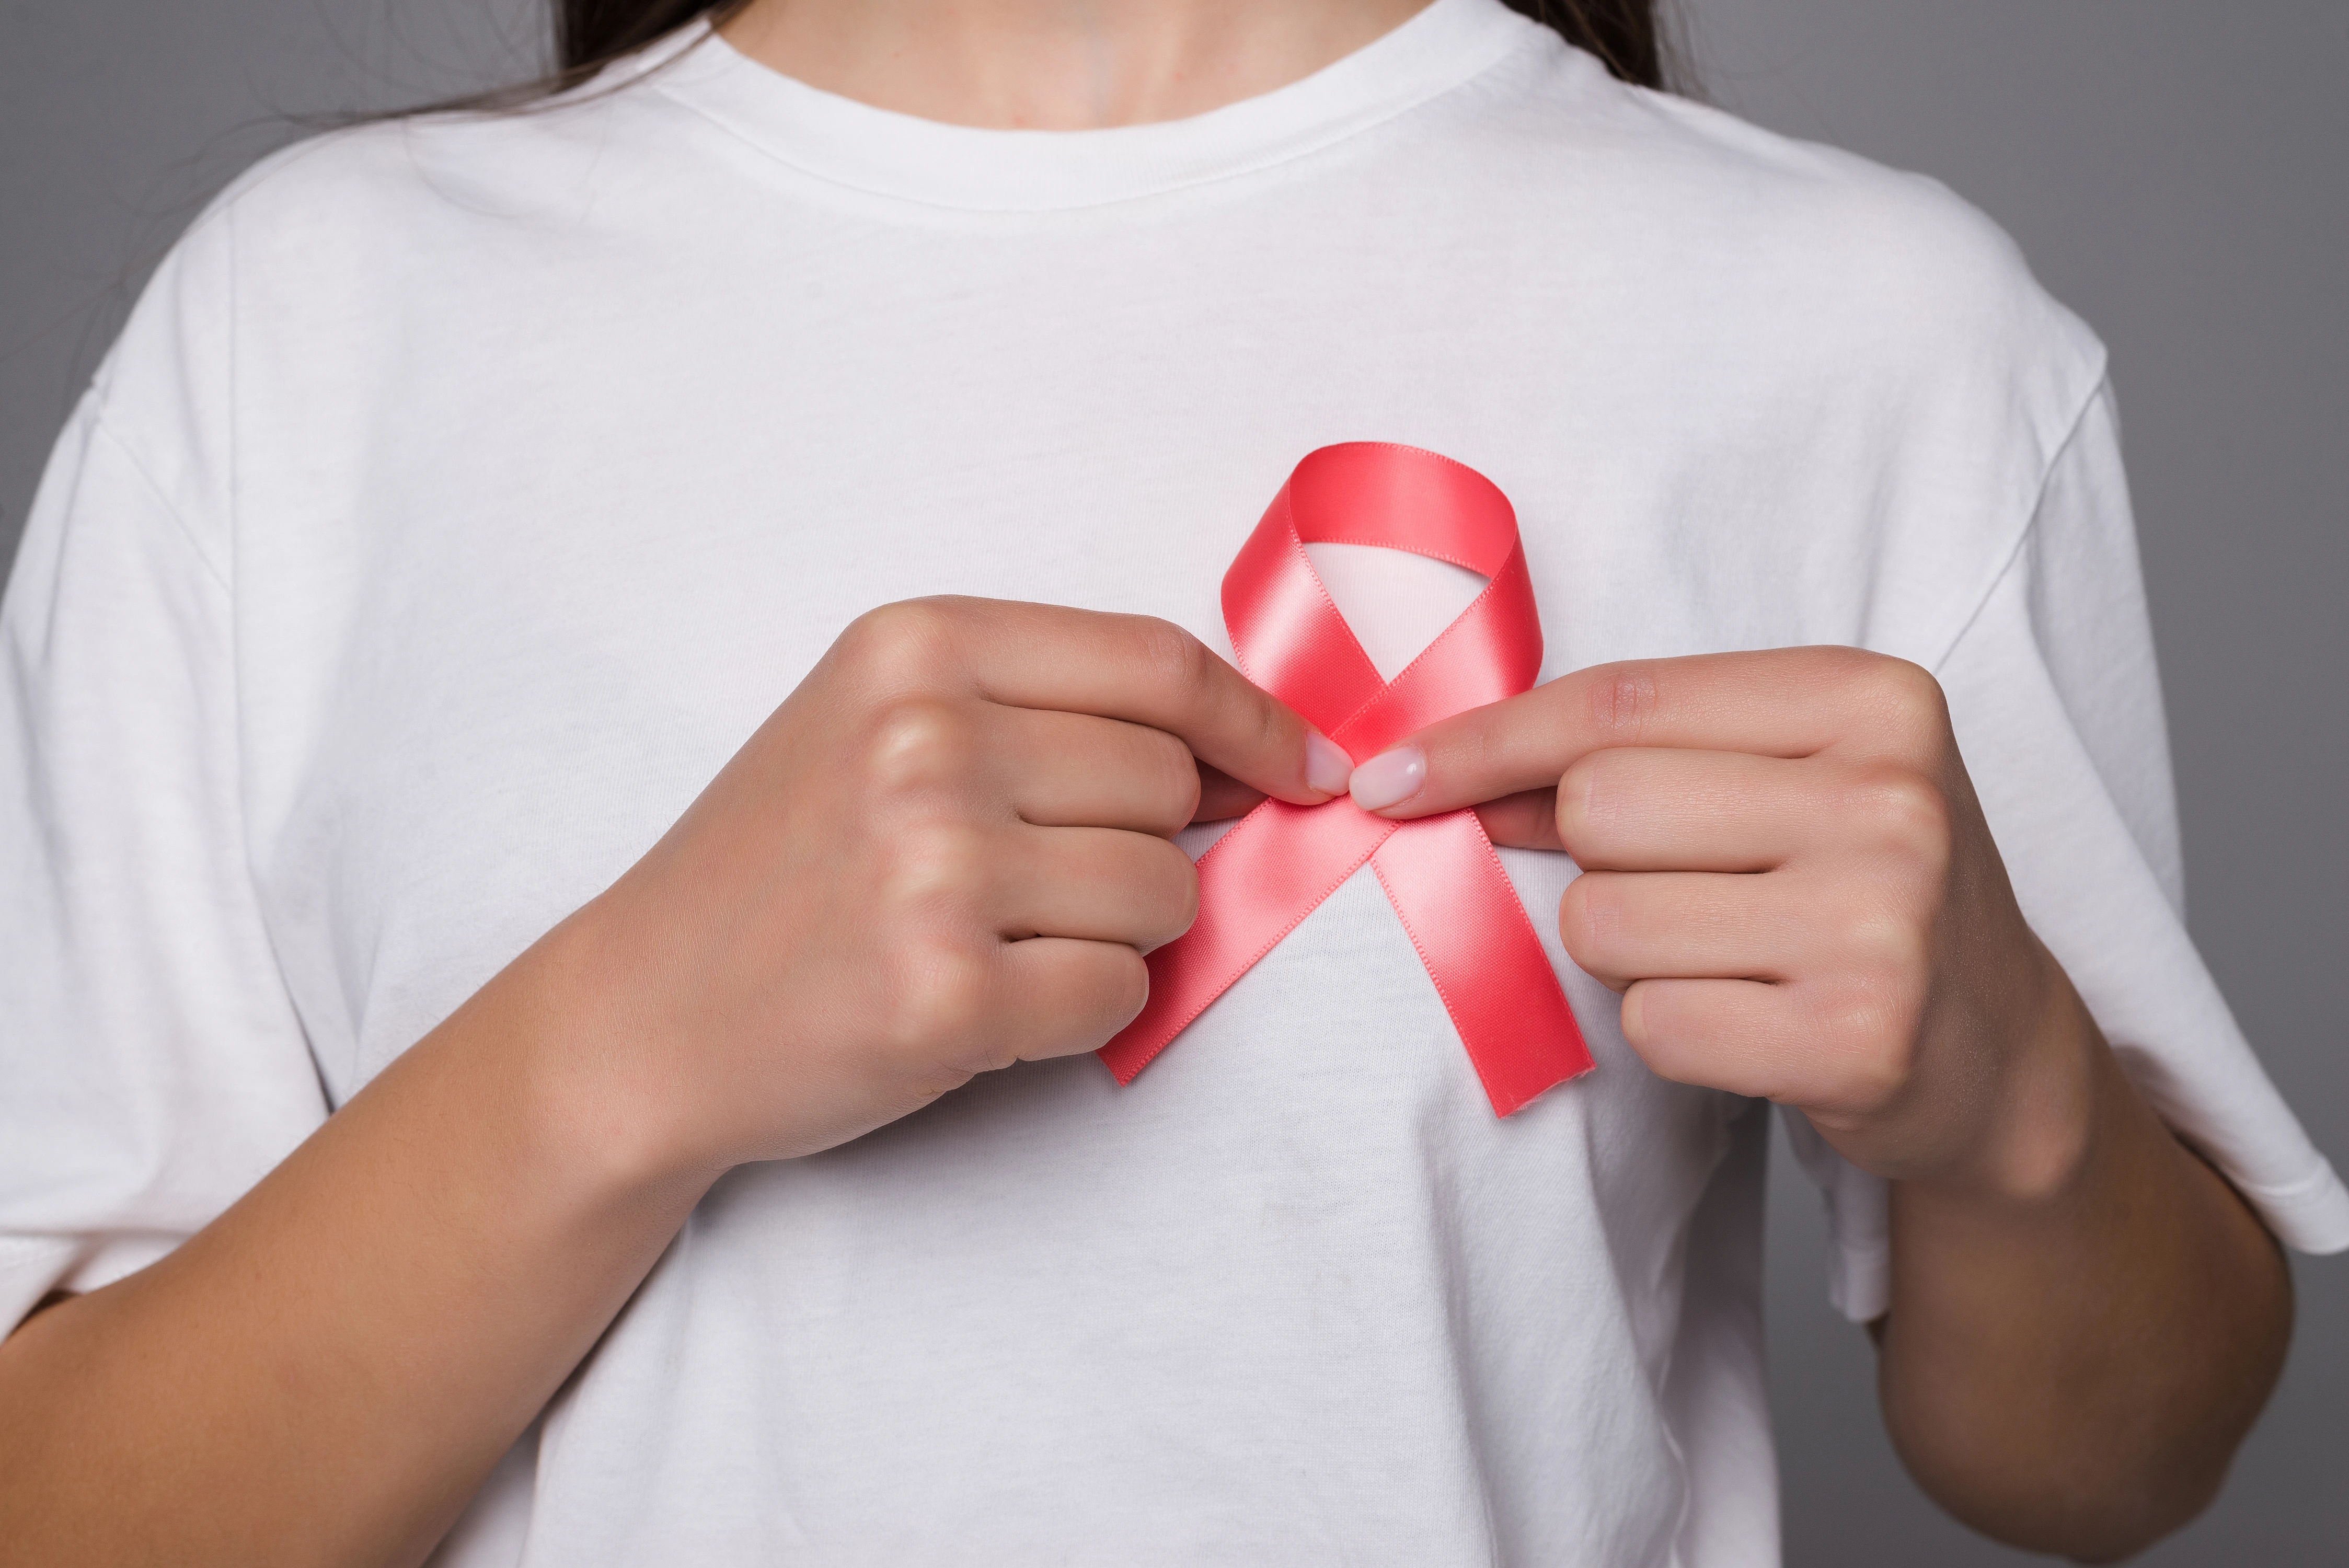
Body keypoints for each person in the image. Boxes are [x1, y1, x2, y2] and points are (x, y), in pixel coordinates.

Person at [1, 1, 2341, 1563]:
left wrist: (2017, 1094)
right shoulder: (315, 323)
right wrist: (639, 1027)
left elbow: (2110, 1467)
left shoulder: (1865, 329)